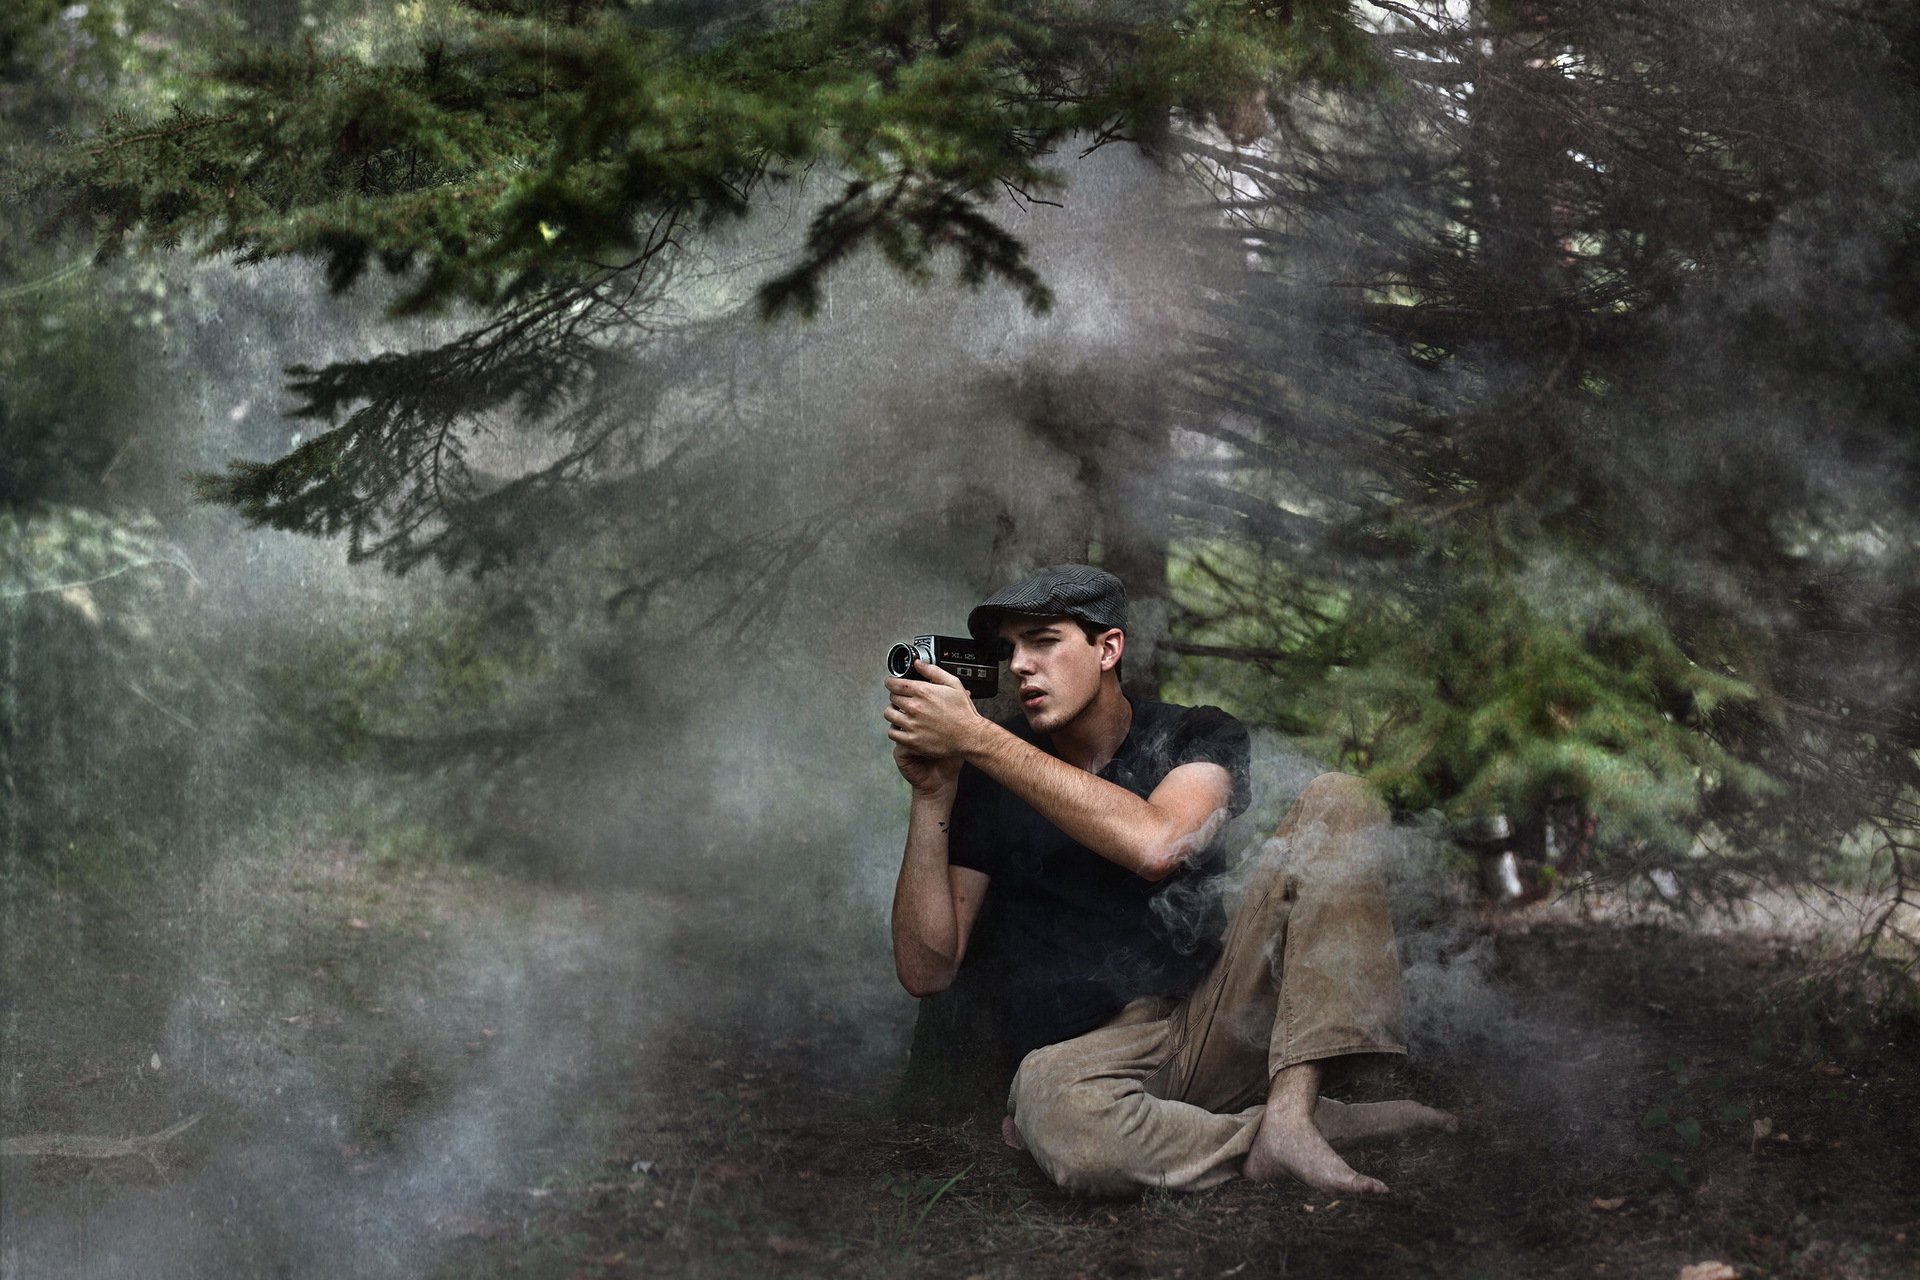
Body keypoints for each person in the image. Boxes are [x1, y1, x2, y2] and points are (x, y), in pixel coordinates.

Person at [884, 565, 1454, 1196]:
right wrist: (934, 791)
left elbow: (1162, 844)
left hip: (1214, 1020)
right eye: (1010, 649)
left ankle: (1293, 1112)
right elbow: (926, 969)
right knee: (1058, 1113)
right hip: (1086, 1064)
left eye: (1043, 641)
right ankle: (1278, 1136)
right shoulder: (990, 773)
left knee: (1339, 798)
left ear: (1108, 648)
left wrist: (979, 738)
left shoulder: (1194, 732)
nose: (1019, 665)